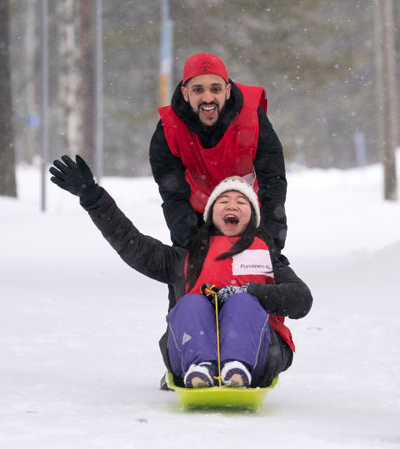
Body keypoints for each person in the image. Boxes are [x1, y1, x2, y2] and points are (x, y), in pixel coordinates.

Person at [49, 155, 311, 389]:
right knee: (192, 303)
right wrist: (93, 198)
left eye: (241, 201)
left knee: (243, 302)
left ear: (252, 216)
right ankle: (200, 367)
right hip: (189, 353)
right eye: (223, 200)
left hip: (259, 354)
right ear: (211, 215)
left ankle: (237, 368)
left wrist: (253, 293)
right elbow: (133, 244)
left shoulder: (268, 259)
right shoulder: (186, 257)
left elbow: (301, 300)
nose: (232, 205)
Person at [149, 52, 288, 310]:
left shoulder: (252, 117)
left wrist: (272, 236)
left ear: (227, 90)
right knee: (189, 294)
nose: (207, 98)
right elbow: (173, 195)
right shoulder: (168, 129)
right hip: (196, 216)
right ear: (185, 92)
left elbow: (273, 179)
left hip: (246, 217)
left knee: (254, 291)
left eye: (215, 89)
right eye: (198, 90)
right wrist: (192, 244)